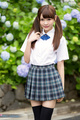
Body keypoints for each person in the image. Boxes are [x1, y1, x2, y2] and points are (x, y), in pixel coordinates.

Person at [20, 5, 69, 120]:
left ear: (55, 18)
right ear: (38, 19)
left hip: (50, 76)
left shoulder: (60, 38)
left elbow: (60, 64)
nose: (45, 23)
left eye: (49, 19)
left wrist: (61, 88)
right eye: (42, 19)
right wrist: (29, 42)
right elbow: (27, 60)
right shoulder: (32, 36)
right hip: (34, 75)